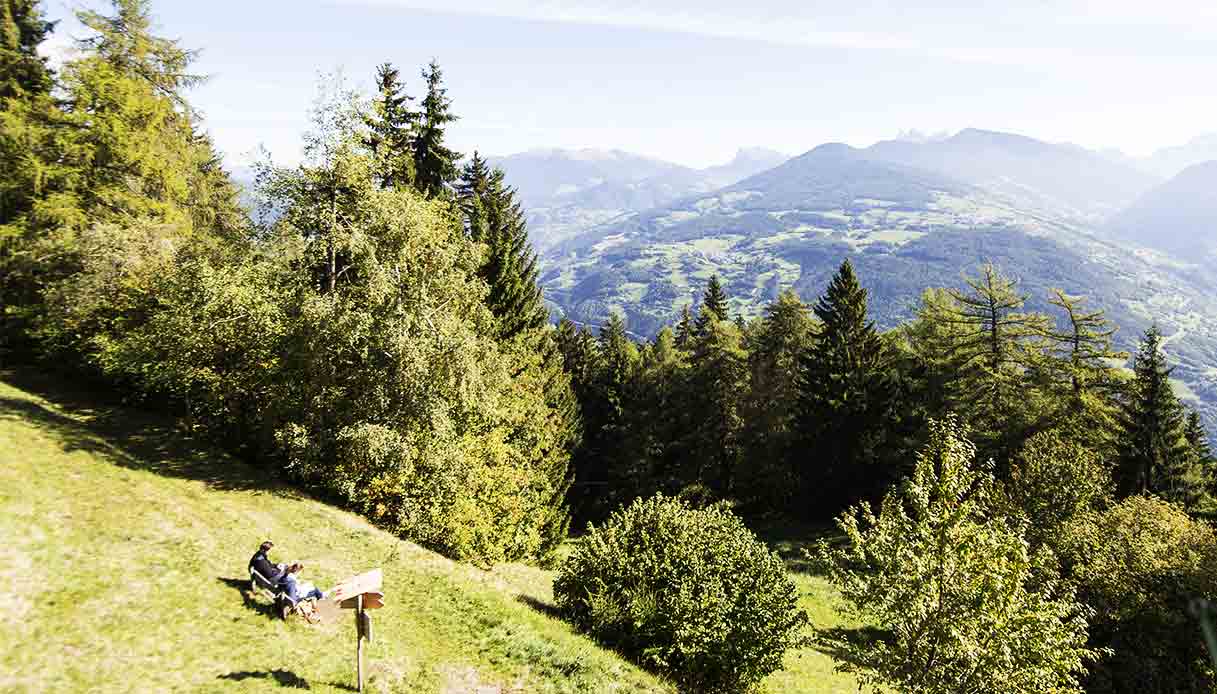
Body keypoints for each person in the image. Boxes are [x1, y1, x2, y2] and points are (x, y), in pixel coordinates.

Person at [248, 541, 324, 604]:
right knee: (290, 576)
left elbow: (269, 565)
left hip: (269, 577)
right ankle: (295, 575)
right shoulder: (261, 561)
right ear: (265, 550)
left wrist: (277, 565)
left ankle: (293, 573)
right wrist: (281, 571)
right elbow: (270, 573)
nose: (269, 552)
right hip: (273, 578)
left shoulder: (259, 556)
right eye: (269, 550)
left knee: (287, 569)